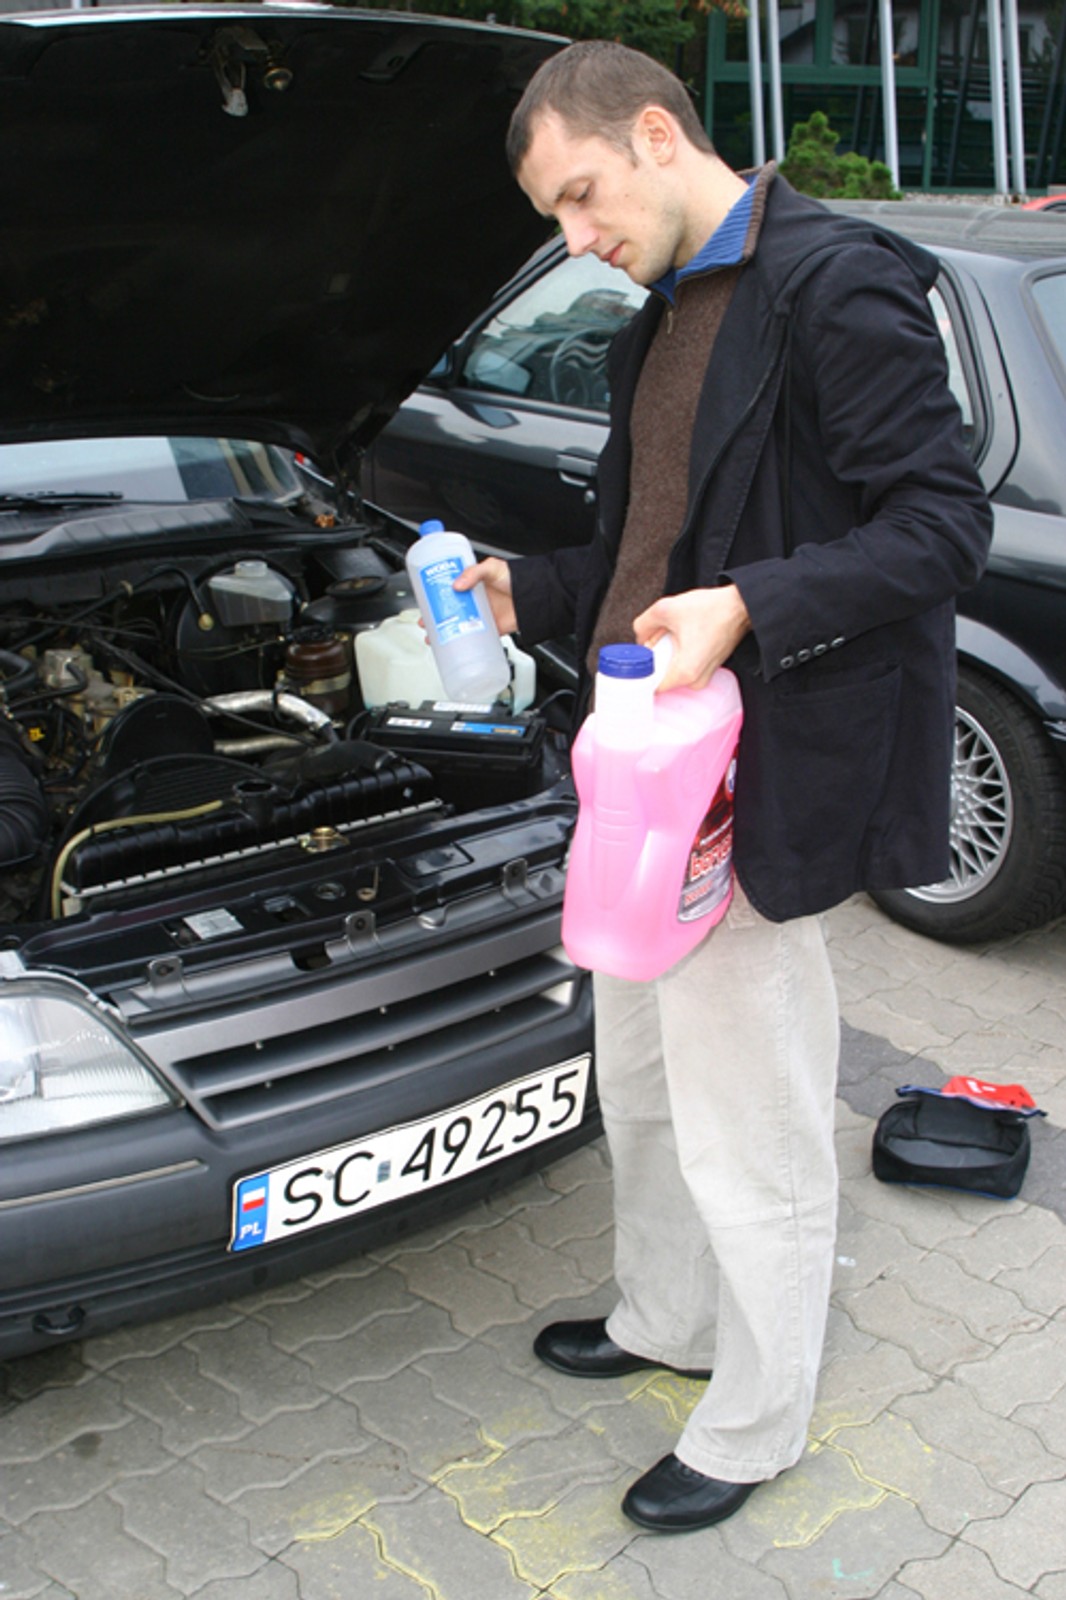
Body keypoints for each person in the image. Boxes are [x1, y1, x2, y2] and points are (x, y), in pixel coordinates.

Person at [456, 40, 993, 1533]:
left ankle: (756, 1422)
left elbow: (940, 524)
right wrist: (531, 586)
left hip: (754, 783)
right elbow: (649, 559)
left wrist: (752, 606)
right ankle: (664, 1321)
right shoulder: (657, 316)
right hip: (645, 770)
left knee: (749, 1117)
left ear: (652, 133)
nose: (575, 241)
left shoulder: (836, 282)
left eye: (580, 199)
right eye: (553, 219)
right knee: (635, 1087)